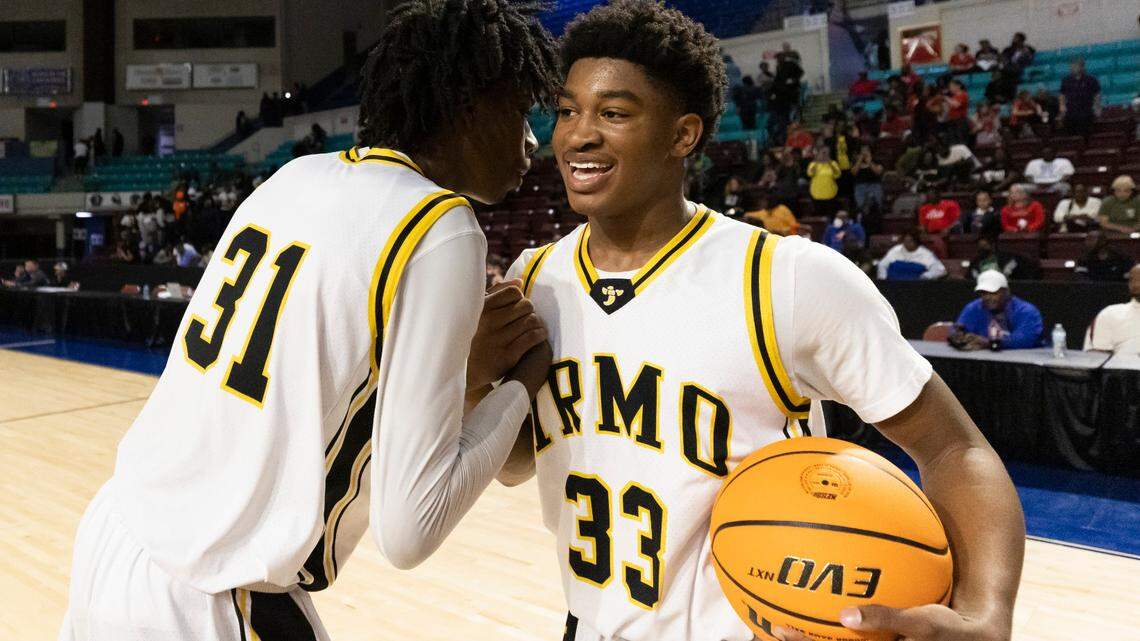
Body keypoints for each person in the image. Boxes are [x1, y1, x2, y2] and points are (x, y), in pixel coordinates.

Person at [502, 5, 1024, 641]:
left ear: (682, 135)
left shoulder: (788, 278)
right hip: (586, 624)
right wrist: (480, 382)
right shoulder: (534, 280)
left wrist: (988, 612)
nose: (578, 135)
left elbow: (953, 448)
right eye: (566, 110)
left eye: (613, 113)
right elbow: (517, 462)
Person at [59, 2, 559, 639]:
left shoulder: (294, 175)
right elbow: (411, 529)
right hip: (212, 590)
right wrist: (523, 379)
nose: (532, 140)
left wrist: (457, 374)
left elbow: (314, 391)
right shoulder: (441, 227)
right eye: (519, 113)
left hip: (115, 535)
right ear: (467, 107)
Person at [952, 270, 1044, 350]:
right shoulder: (973, 308)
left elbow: (1025, 340)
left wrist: (988, 342)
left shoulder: (1026, 311)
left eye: (993, 293)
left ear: (1006, 292)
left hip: (1023, 363)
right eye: (984, 293)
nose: (988, 297)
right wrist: (957, 337)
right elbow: (957, 329)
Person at [1085, 265, 1140, 353]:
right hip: (1122, 366)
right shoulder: (1110, 314)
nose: (1137, 284)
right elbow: (1095, 357)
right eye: (1134, 280)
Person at [877, 228, 947, 280]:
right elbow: (882, 265)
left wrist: (925, 276)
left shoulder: (926, 254)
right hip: (893, 285)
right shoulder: (896, 250)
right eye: (905, 241)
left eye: (910, 241)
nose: (907, 244)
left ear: (916, 242)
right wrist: (884, 279)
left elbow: (940, 270)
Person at [1059, 58, 1101, 138]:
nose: (1072, 68)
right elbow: (1062, 94)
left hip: (1086, 111)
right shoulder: (1066, 80)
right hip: (1071, 112)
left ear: (1082, 67)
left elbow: (1097, 94)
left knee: (1086, 134)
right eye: (1071, 66)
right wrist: (1062, 106)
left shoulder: (1091, 80)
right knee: (1070, 135)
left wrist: (1096, 107)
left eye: (1075, 66)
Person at [969, 234, 1039, 280]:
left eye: (985, 246)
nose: (983, 250)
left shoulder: (1008, 258)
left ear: (993, 246)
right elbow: (971, 277)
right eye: (980, 247)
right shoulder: (976, 262)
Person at [807, 146, 841, 218]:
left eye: (826, 153)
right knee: (818, 216)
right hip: (817, 194)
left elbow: (838, 175)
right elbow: (810, 173)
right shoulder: (813, 164)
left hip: (830, 194)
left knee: (831, 216)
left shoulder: (833, 163)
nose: (824, 155)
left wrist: (830, 163)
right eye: (822, 152)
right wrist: (817, 161)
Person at [851, 146, 883, 217]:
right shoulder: (856, 162)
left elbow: (878, 172)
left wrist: (869, 162)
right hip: (860, 187)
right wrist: (859, 160)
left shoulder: (876, 160)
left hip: (874, 186)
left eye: (866, 151)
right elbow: (853, 172)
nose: (864, 153)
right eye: (862, 152)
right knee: (861, 208)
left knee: (876, 206)